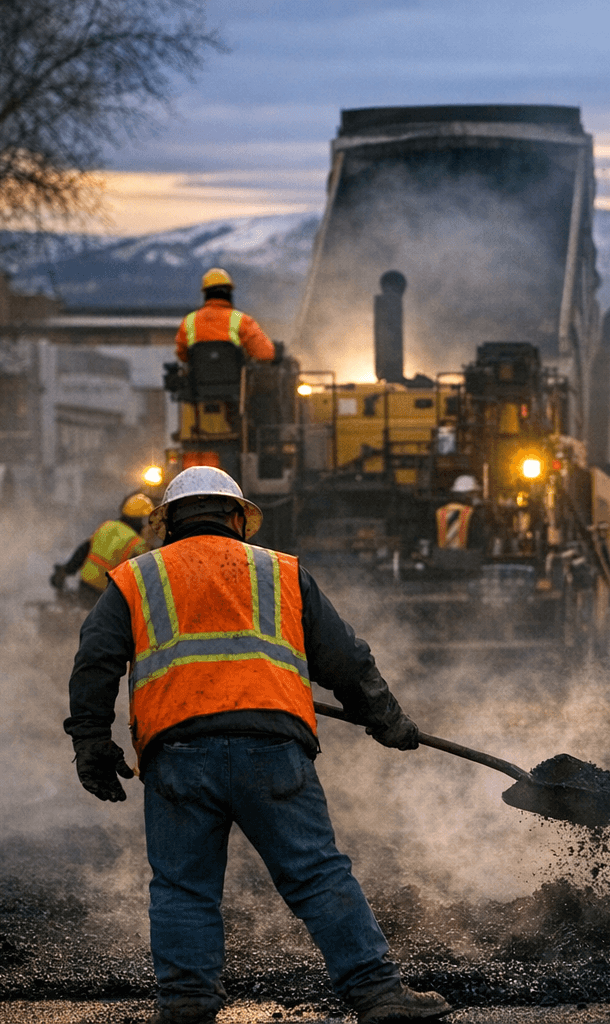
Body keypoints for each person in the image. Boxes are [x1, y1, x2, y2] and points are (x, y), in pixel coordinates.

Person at [63, 466, 452, 1024]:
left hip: (178, 752)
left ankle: (187, 1004)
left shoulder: (135, 577)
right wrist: (388, 719)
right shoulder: (280, 570)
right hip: (272, 748)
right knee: (317, 874)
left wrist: (91, 744)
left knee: (183, 887)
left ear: (167, 522)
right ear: (240, 518)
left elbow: (95, 662)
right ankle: (377, 994)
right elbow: (345, 660)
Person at [51, 494, 156, 606]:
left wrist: (66, 570)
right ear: (141, 520)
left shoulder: (106, 526)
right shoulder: (138, 543)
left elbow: (83, 550)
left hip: (85, 587)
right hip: (108, 594)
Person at [175, 267, 276, 364]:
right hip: (236, 381)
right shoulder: (242, 320)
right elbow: (266, 354)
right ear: (229, 293)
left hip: (196, 381)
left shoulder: (189, 321)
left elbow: (182, 356)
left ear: (205, 293)